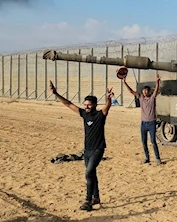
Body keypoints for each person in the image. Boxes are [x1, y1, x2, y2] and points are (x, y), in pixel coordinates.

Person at [49, 80, 113, 211]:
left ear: (95, 105)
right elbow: (68, 104)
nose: (86, 107)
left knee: (88, 173)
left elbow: (107, 106)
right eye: (85, 105)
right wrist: (56, 93)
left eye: (89, 105)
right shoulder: (84, 114)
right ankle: (97, 197)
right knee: (92, 174)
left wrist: (108, 98)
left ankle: (88, 201)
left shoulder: (100, 115)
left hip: (98, 149)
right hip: (87, 150)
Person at [123, 74, 162, 165]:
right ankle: (147, 158)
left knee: (153, 141)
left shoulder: (152, 98)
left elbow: (156, 90)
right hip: (143, 124)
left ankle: (158, 158)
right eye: (143, 91)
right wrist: (125, 83)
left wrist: (157, 82)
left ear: (149, 92)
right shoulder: (140, 98)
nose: (144, 92)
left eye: (146, 91)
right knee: (143, 142)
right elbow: (132, 91)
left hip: (152, 123)